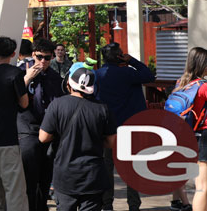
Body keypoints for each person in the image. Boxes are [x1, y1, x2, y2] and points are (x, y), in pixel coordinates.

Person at [39, 62, 116, 211]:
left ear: (68, 82)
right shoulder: (103, 109)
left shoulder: (57, 105)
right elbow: (110, 142)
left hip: (65, 175)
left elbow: (43, 137)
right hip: (93, 175)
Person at [94, 42, 154, 211]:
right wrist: (132, 61)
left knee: (107, 167)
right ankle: (133, 205)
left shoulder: (97, 75)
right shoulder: (129, 73)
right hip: (129, 127)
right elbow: (149, 76)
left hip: (107, 128)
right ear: (120, 56)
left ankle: (107, 204)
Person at [0, 36, 29, 211]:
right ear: (14, 54)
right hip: (7, 137)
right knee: (15, 189)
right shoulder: (15, 73)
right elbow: (24, 103)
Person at [18, 38, 65, 211]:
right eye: (39, 57)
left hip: (49, 131)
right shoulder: (21, 72)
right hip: (27, 131)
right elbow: (10, 98)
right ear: (33, 55)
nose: (43, 61)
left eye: (47, 58)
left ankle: (41, 206)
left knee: (45, 178)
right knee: (30, 179)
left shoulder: (54, 78)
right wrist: (27, 79)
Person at [173, 47, 207, 211]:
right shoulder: (204, 87)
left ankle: (180, 203)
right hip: (204, 135)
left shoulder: (180, 83)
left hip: (185, 134)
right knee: (202, 186)